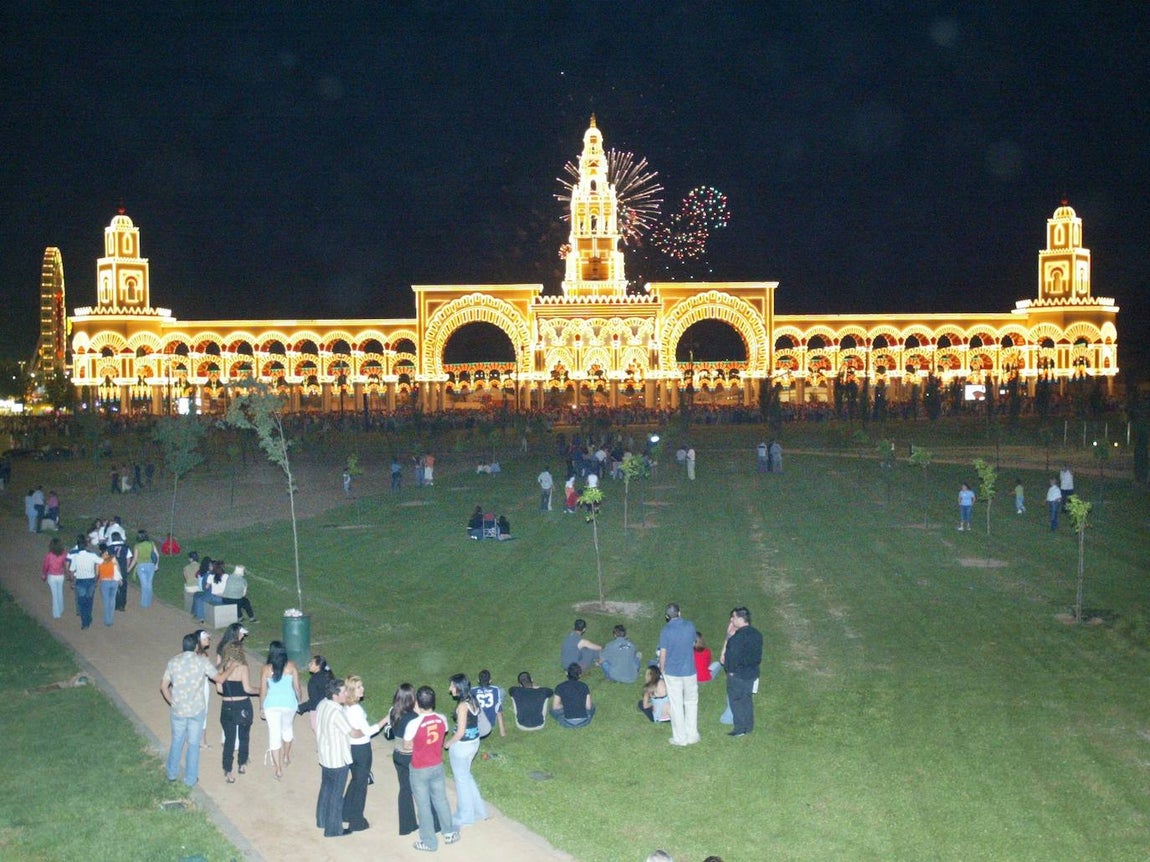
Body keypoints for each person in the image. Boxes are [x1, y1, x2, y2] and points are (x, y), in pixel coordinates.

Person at [404, 685, 460, 852]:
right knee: (441, 799)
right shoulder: (442, 719)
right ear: (433, 702)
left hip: (419, 768)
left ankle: (429, 842)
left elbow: (407, 746)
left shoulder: (414, 724)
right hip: (437, 765)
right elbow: (442, 735)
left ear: (417, 702)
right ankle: (449, 833)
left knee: (423, 805)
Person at [161, 632, 217, 786]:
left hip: (178, 710)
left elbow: (164, 686)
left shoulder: (173, 662)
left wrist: (172, 701)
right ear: (195, 647)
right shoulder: (202, 662)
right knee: (193, 745)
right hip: (196, 710)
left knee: (177, 741)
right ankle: (190, 779)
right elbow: (217, 677)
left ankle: (172, 773)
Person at [384, 683, 436, 837]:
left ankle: (407, 826)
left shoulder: (393, 712)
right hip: (411, 757)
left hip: (398, 755)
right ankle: (433, 823)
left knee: (405, 789)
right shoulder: (414, 718)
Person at [315, 677, 361, 837]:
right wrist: (366, 731)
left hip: (325, 756)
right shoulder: (336, 712)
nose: (346, 694)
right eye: (343, 691)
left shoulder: (322, 704)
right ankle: (334, 829)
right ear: (335, 695)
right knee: (336, 795)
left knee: (326, 789)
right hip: (337, 759)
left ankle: (321, 820)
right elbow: (352, 732)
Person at [445, 673, 487, 827]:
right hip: (474, 743)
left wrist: (448, 743)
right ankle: (479, 811)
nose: (450, 689)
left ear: (459, 687)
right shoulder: (473, 699)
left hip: (462, 746)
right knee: (466, 777)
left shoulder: (463, 706)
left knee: (461, 781)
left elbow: (460, 732)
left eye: (452, 686)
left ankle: (466, 816)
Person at [342, 675, 383, 833]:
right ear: (352, 691)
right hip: (362, 750)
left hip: (351, 748)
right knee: (361, 785)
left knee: (355, 781)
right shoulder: (356, 710)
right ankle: (356, 821)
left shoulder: (346, 707)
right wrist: (385, 720)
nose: (363, 688)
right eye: (359, 687)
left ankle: (345, 812)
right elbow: (368, 731)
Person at [259, 640, 302, 780]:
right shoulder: (291, 666)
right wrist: (299, 700)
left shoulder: (266, 669)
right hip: (289, 703)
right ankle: (286, 756)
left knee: (274, 734)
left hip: (271, 705)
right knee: (287, 729)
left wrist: (261, 706)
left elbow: (263, 690)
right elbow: (297, 687)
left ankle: (277, 768)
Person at [658, 602, 700, 746]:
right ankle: (692, 735)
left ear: (666, 616)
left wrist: (661, 669)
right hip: (689, 670)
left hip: (673, 672)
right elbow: (694, 642)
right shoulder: (690, 626)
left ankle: (680, 738)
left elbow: (663, 653)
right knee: (691, 702)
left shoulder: (666, 631)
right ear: (679, 612)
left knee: (676, 704)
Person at [216, 640, 257, 782]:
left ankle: (227, 770)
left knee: (229, 739)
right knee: (244, 736)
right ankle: (242, 763)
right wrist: (261, 690)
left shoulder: (221, 668)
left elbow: (219, 689)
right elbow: (248, 689)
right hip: (243, 706)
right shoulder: (243, 667)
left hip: (227, 706)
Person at [722, 606, 763, 737]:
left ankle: (739, 728)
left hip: (738, 674)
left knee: (736, 701)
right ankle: (749, 726)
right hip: (751, 672)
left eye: (733, 617)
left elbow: (729, 657)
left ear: (740, 619)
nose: (731, 619)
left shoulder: (737, 638)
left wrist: (730, 671)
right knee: (746, 699)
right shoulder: (757, 634)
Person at [68, 539, 101, 629]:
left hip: (80, 582)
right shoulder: (92, 556)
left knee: (82, 602)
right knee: (89, 600)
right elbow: (102, 562)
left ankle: (85, 622)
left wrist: (72, 582)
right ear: (86, 546)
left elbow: (71, 571)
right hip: (90, 581)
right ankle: (88, 617)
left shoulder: (75, 557)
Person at [551, 662, 594, 728]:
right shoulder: (584, 686)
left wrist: (565, 705)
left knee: (552, 710)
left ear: (566, 673)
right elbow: (588, 707)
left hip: (567, 722)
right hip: (584, 721)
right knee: (592, 706)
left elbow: (555, 707)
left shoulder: (560, 687)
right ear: (580, 675)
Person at [299, 655, 335, 733]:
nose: (309, 664)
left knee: (320, 734)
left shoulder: (314, 680)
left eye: (311, 663)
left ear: (317, 666)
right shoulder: (328, 675)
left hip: (318, 711)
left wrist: (301, 707)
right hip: (330, 708)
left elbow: (314, 701)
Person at [129, 529, 159, 609]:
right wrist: (156, 565)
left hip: (141, 566)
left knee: (144, 584)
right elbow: (157, 554)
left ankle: (144, 603)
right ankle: (149, 600)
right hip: (151, 565)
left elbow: (135, 559)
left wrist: (129, 568)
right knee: (149, 583)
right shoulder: (151, 544)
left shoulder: (137, 546)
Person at [95, 543, 123, 627]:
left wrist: (96, 581)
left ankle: (108, 620)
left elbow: (97, 574)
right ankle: (110, 617)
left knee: (106, 601)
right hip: (114, 581)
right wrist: (120, 579)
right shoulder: (112, 558)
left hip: (104, 582)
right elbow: (118, 569)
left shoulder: (98, 560)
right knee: (112, 600)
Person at [472, 669, 506, 737]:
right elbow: (499, 712)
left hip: (477, 723)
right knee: (501, 691)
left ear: (478, 680)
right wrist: (502, 732)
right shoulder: (495, 689)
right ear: (490, 680)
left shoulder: (472, 690)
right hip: (490, 722)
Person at [42, 536, 69, 619]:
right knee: (59, 592)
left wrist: (44, 574)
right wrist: (67, 573)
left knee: (54, 595)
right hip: (60, 576)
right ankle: (61, 608)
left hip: (52, 576)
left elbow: (45, 566)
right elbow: (65, 565)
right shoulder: (64, 555)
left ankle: (56, 613)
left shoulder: (48, 556)